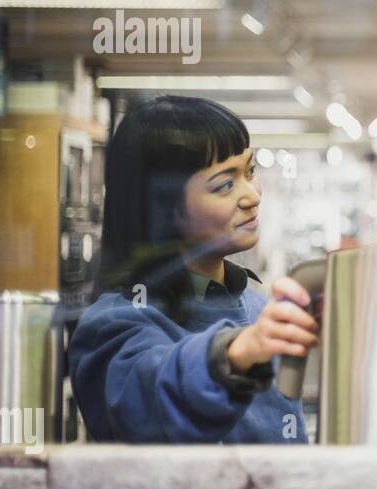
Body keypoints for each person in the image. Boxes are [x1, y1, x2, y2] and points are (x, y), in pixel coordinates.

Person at [68, 95, 319, 443]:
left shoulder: (256, 307)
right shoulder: (114, 324)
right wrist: (234, 354)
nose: (252, 195)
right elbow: (151, 403)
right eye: (225, 184)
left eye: (249, 171)